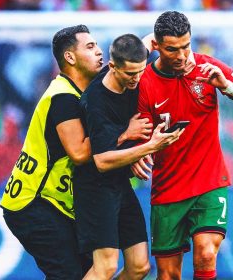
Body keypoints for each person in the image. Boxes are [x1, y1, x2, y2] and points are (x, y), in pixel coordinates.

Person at [132, 11, 233, 280]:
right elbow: (142, 131)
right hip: (168, 188)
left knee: (206, 253)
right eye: (173, 49)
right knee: (169, 274)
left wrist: (228, 86)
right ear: (156, 46)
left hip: (209, 181)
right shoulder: (145, 82)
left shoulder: (207, 67)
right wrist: (139, 149)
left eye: (186, 46)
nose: (182, 55)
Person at [73, 34, 183, 280]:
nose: (137, 79)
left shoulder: (133, 65)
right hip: (95, 189)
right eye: (131, 74)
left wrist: (161, 38)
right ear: (112, 66)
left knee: (140, 266)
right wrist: (149, 147)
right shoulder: (97, 100)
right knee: (106, 267)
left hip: (120, 185)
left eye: (141, 72)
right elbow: (102, 161)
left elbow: (147, 40)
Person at [0, 25, 102, 279]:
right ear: (69, 57)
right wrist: (122, 132)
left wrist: (150, 43)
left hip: (52, 203)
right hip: (33, 202)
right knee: (68, 274)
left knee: (90, 270)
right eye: (90, 47)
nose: (99, 52)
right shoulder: (63, 98)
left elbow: (125, 61)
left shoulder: (77, 92)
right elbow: (78, 153)